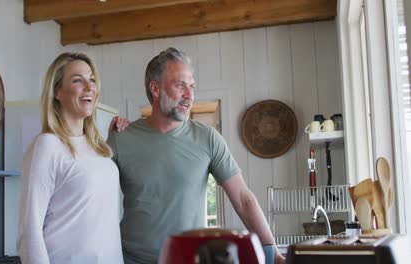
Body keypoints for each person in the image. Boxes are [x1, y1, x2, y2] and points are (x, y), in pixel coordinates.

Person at [107, 47, 285, 264]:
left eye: (191, 86)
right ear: (155, 88)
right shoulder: (121, 138)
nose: (189, 95)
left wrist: (273, 253)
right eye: (180, 85)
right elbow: (93, 199)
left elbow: (243, 200)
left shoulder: (208, 138)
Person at [17, 52, 126, 264]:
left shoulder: (99, 148)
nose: (89, 87)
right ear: (57, 91)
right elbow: (29, 232)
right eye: (78, 80)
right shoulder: (47, 146)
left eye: (92, 79)